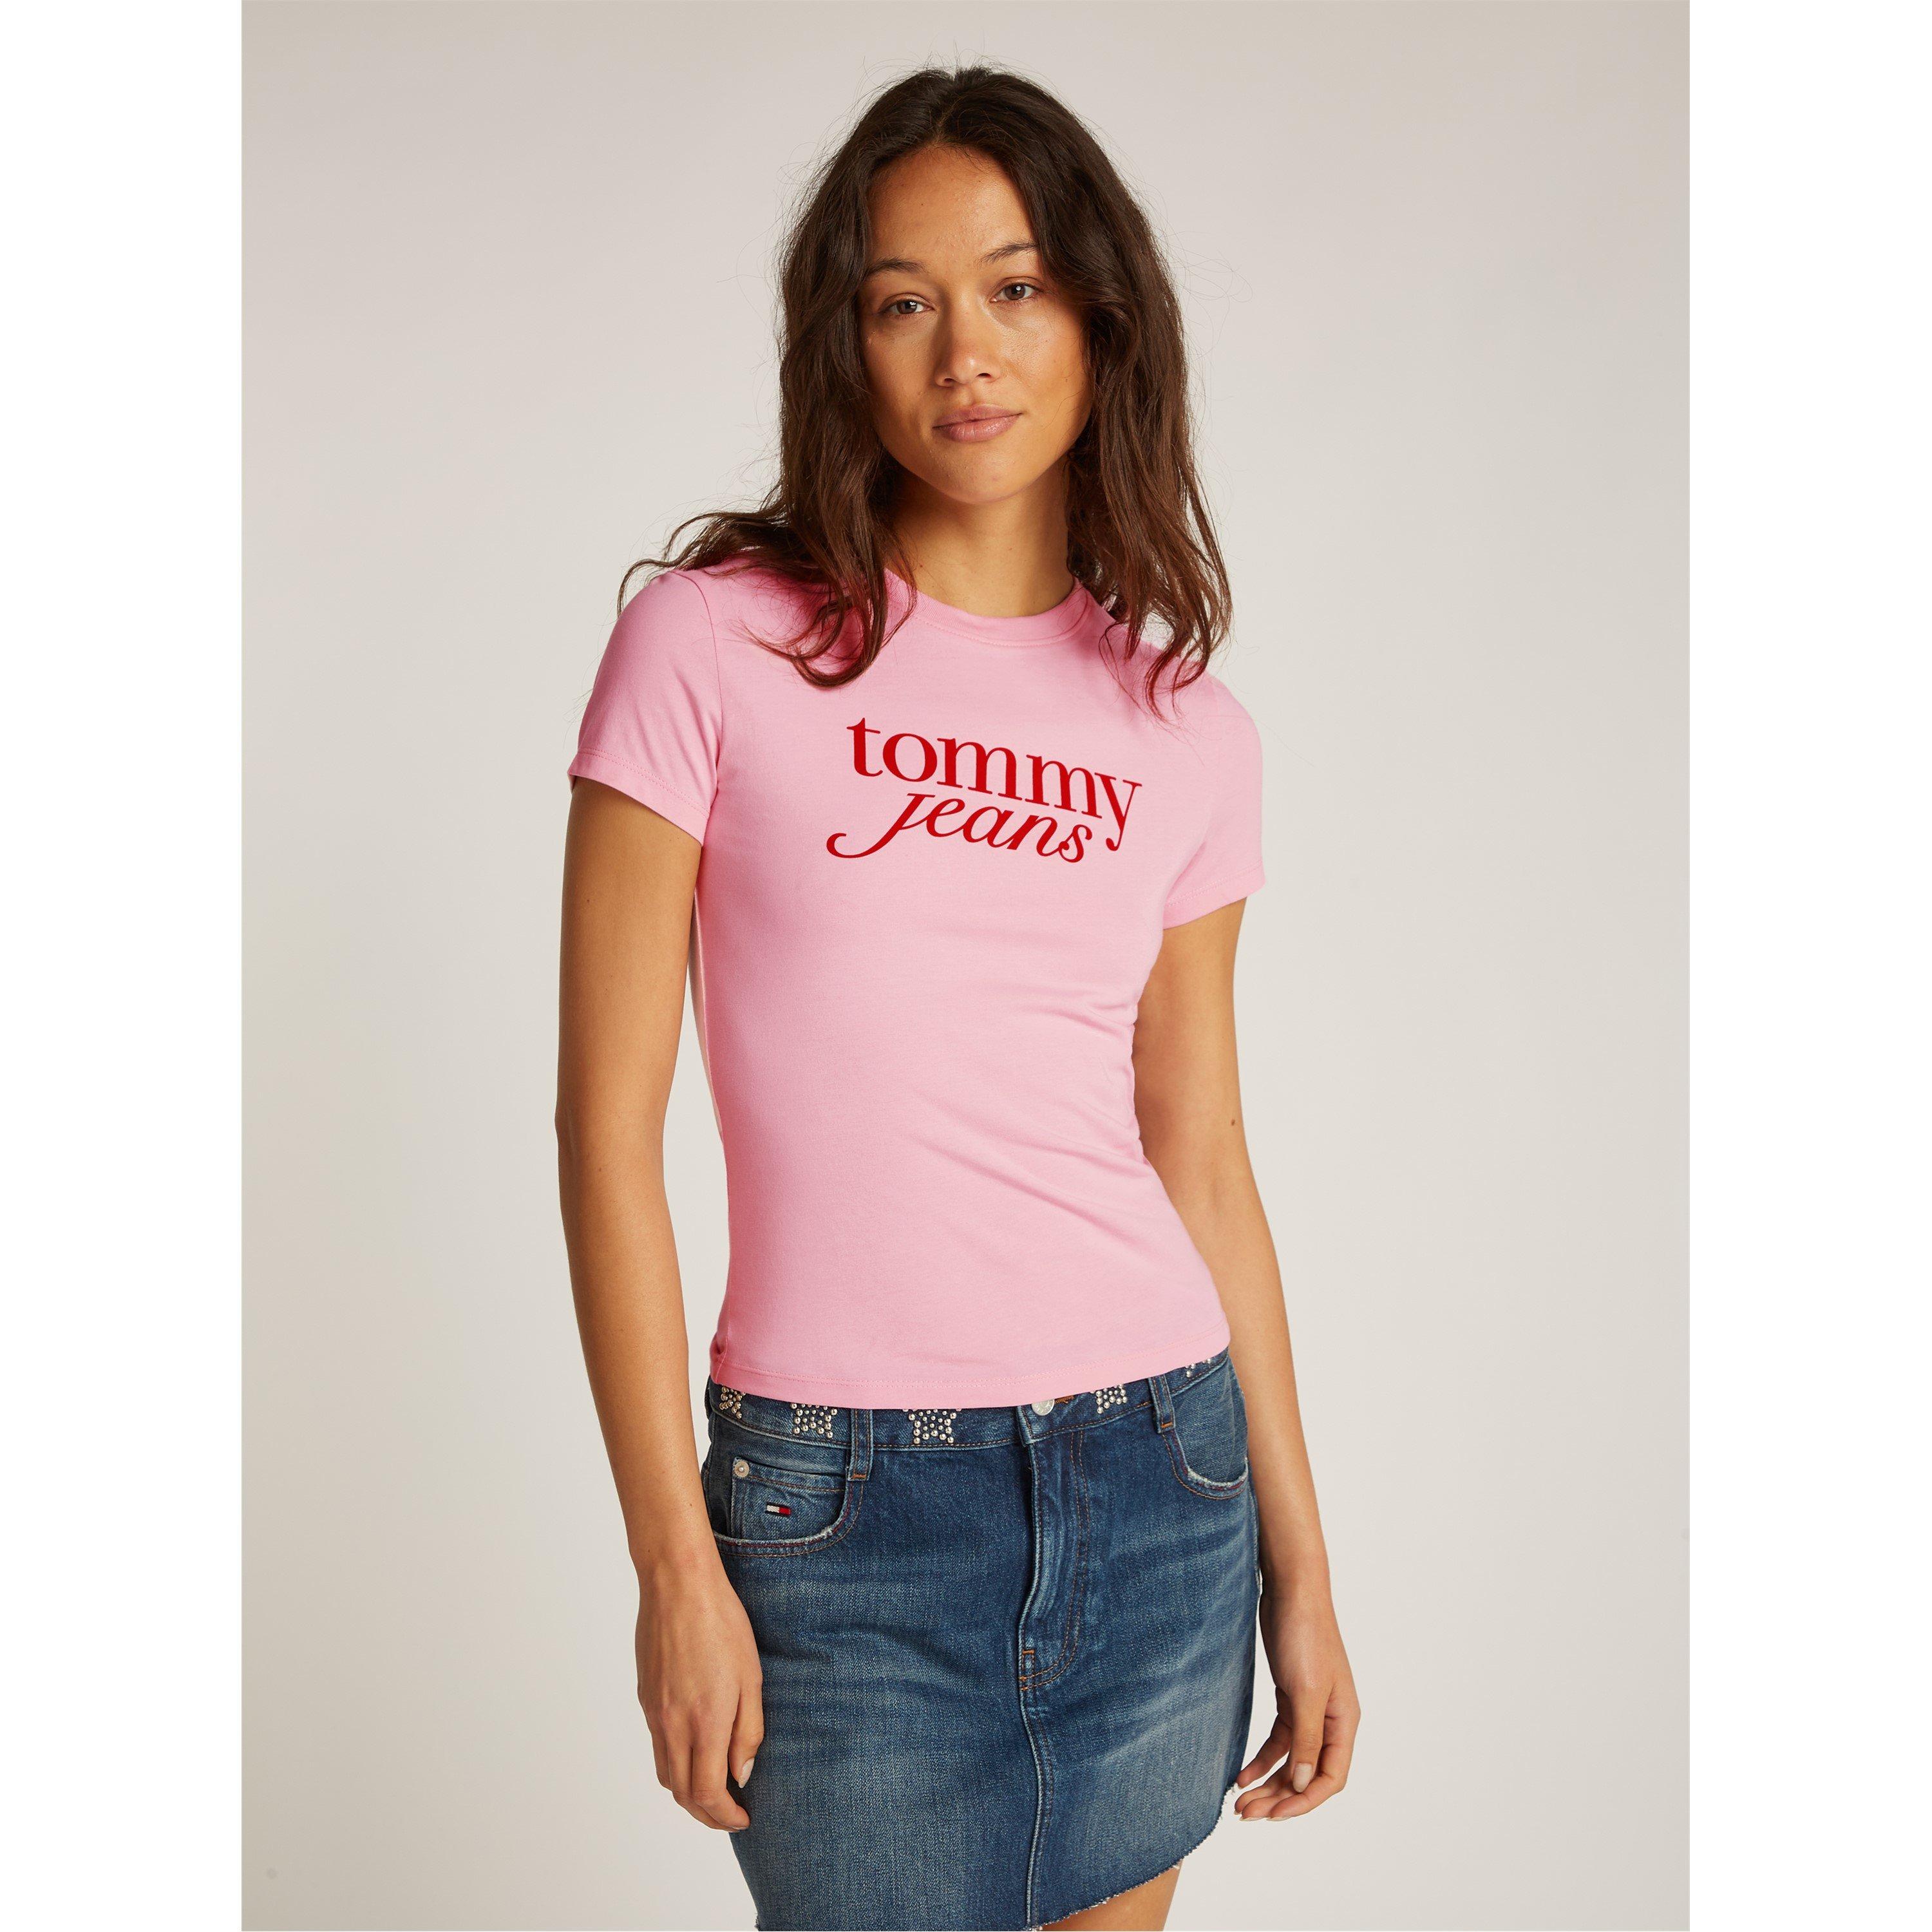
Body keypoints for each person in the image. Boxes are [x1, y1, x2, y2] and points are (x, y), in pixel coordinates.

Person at [555, 63, 1358, 1932]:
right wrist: (673, 1561)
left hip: (1161, 1478)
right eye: (901, 301)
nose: (964, 353)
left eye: (1016, 288)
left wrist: (1304, 1571)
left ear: (1101, 318)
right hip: (841, 1519)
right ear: (843, 344)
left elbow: (1203, 1157)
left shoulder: (1188, 732)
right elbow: (605, 1132)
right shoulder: (711, 647)